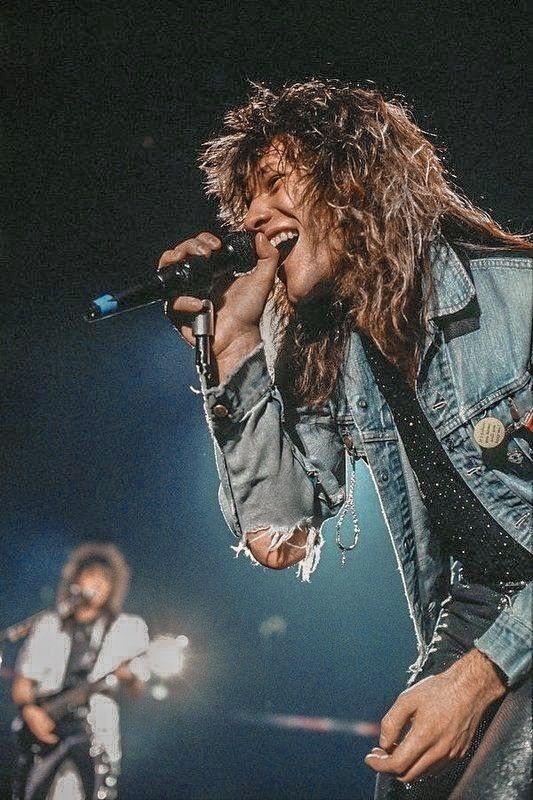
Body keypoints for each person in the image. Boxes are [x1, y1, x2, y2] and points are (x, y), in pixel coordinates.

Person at [161, 79, 532, 798]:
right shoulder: (337, 352)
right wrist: (232, 347)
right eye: (245, 210)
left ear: (355, 181)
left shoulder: (517, 300)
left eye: (274, 186)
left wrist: (482, 672)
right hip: (480, 611)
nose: (254, 219)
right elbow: (276, 534)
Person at [11, 543, 149, 800]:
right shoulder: (48, 624)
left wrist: (128, 675)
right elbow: (23, 681)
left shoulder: (127, 628)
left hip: (95, 733)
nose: (97, 582)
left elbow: (138, 687)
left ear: (113, 587)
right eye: (91, 574)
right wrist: (30, 712)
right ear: (76, 578)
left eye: (105, 579)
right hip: (46, 733)